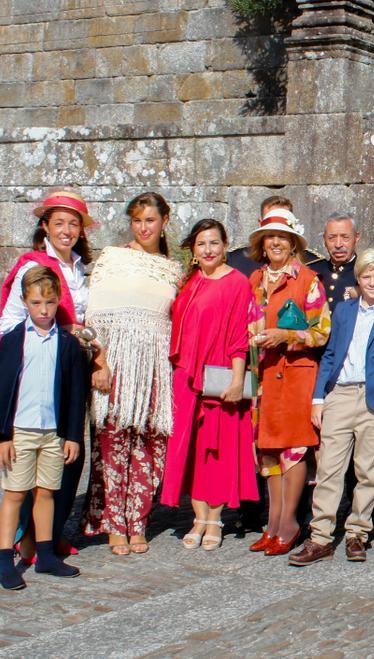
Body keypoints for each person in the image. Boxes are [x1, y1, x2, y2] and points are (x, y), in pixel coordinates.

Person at [289, 249, 374, 566]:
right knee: (330, 469)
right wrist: (319, 398)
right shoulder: (344, 311)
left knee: (368, 472)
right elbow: (330, 355)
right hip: (341, 395)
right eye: (367, 276)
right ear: (358, 278)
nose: (372, 282)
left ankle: (357, 532)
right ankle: (320, 537)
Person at [0, 190, 101, 558]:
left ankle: (50, 533)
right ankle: (27, 539)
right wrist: (60, 331)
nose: (66, 230)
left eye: (73, 224)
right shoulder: (33, 267)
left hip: (73, 365)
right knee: (40, 453)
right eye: (59, 223)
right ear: (45, 226)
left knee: (69, 453)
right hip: (42, 367)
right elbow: (10, 321)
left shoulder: (77, 268)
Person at [81, 193, 183, 556]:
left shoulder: (172, 269)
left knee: (148, 444)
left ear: (164, 221)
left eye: (150, 220)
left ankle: (138, 520)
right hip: (116, 364)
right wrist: (100, 361)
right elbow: (93, 318)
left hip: (154, 367)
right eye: (137, 220)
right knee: (112, 443)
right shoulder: (112, 259)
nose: (143, 227)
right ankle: (113, 524)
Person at [161, 219, 258, 551]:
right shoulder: (189, 282)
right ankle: (197, 517)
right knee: (190, 449)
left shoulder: (236, 283)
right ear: (193, 249)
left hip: (218, 376)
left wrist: (236, 378)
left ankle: (214, 519)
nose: (208, 250)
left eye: (214, 243)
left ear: (225, 244)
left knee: (216, 449)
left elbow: (239, 335)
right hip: (187, 377)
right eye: (202, 244)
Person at [0, 267, 87, 589]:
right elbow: (1, 390)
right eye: (36, 303)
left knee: (46, 492)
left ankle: (45, 555)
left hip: (52, 432)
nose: (43, 310)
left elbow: (75, 394)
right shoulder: (16, 339)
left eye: (49, 303)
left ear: (58, 301)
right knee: (15, 493)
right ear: (24, 302)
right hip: (21, 431)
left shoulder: (68, 344)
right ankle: (6, 559)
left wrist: (72, 435)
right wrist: (1, 435)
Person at [246, 208, 332, 556]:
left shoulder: (307, 280)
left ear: (293, 243)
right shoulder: (254, 280)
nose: (276, 242)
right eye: (270, 238)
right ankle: (273, 522)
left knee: (293, 448)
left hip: (294, 373)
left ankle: (289, 523)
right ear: (263, 245)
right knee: (268, 450)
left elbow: (321, 331)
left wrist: (284, 335)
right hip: (262, 374)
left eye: (283, 237)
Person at [227, 196, 323, 277]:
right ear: (260, 224)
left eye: (283, 234)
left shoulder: (313, 264)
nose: (276, 242)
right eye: (271, 231)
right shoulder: (237, 261)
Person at [309, 210, 361, 309]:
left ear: (356, 237)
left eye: (345, 237)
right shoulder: (312, 270)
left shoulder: (366, 272)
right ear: (324, 239)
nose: (338, 245)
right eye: (331, 238)